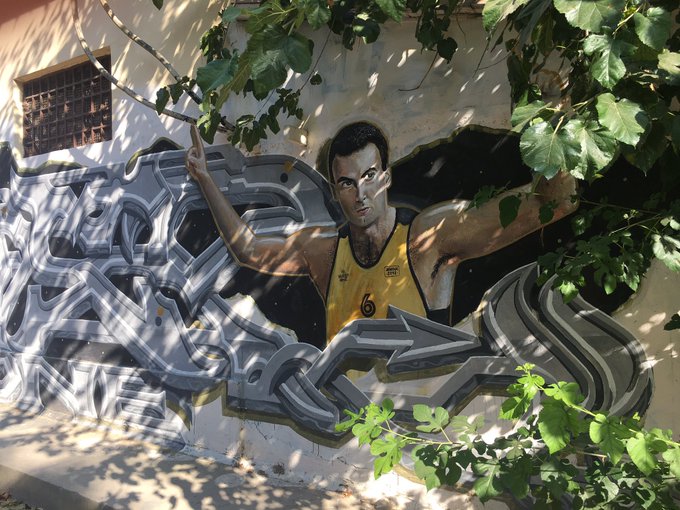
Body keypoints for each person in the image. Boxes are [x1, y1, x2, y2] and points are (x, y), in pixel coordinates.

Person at [185, 122, 577, 344]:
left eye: (370, 176)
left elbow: (552, 204)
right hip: (345, 424)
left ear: (386, 178)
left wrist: (556, 118)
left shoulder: (427, 239)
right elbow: (250, 250)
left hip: (418, 423)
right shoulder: (324, 253)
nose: (361, 193)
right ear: (335, 191)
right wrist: (204, 179)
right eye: (347, 183)